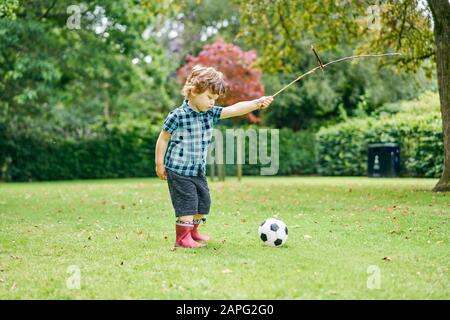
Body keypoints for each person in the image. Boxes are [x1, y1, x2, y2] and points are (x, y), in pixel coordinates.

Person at [155, 65, 273, 248]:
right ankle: (182, 238)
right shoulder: (177, 116)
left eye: (215, 99)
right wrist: (159, 164)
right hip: (178, 169)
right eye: (209, 98)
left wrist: (256, 103)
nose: (212, 103)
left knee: (203, 202)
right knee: (188, 203)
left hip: (197, 169)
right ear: (193, 91)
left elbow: (234, 109)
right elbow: (163, 139)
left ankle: (193, 233)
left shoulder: (210, 113)